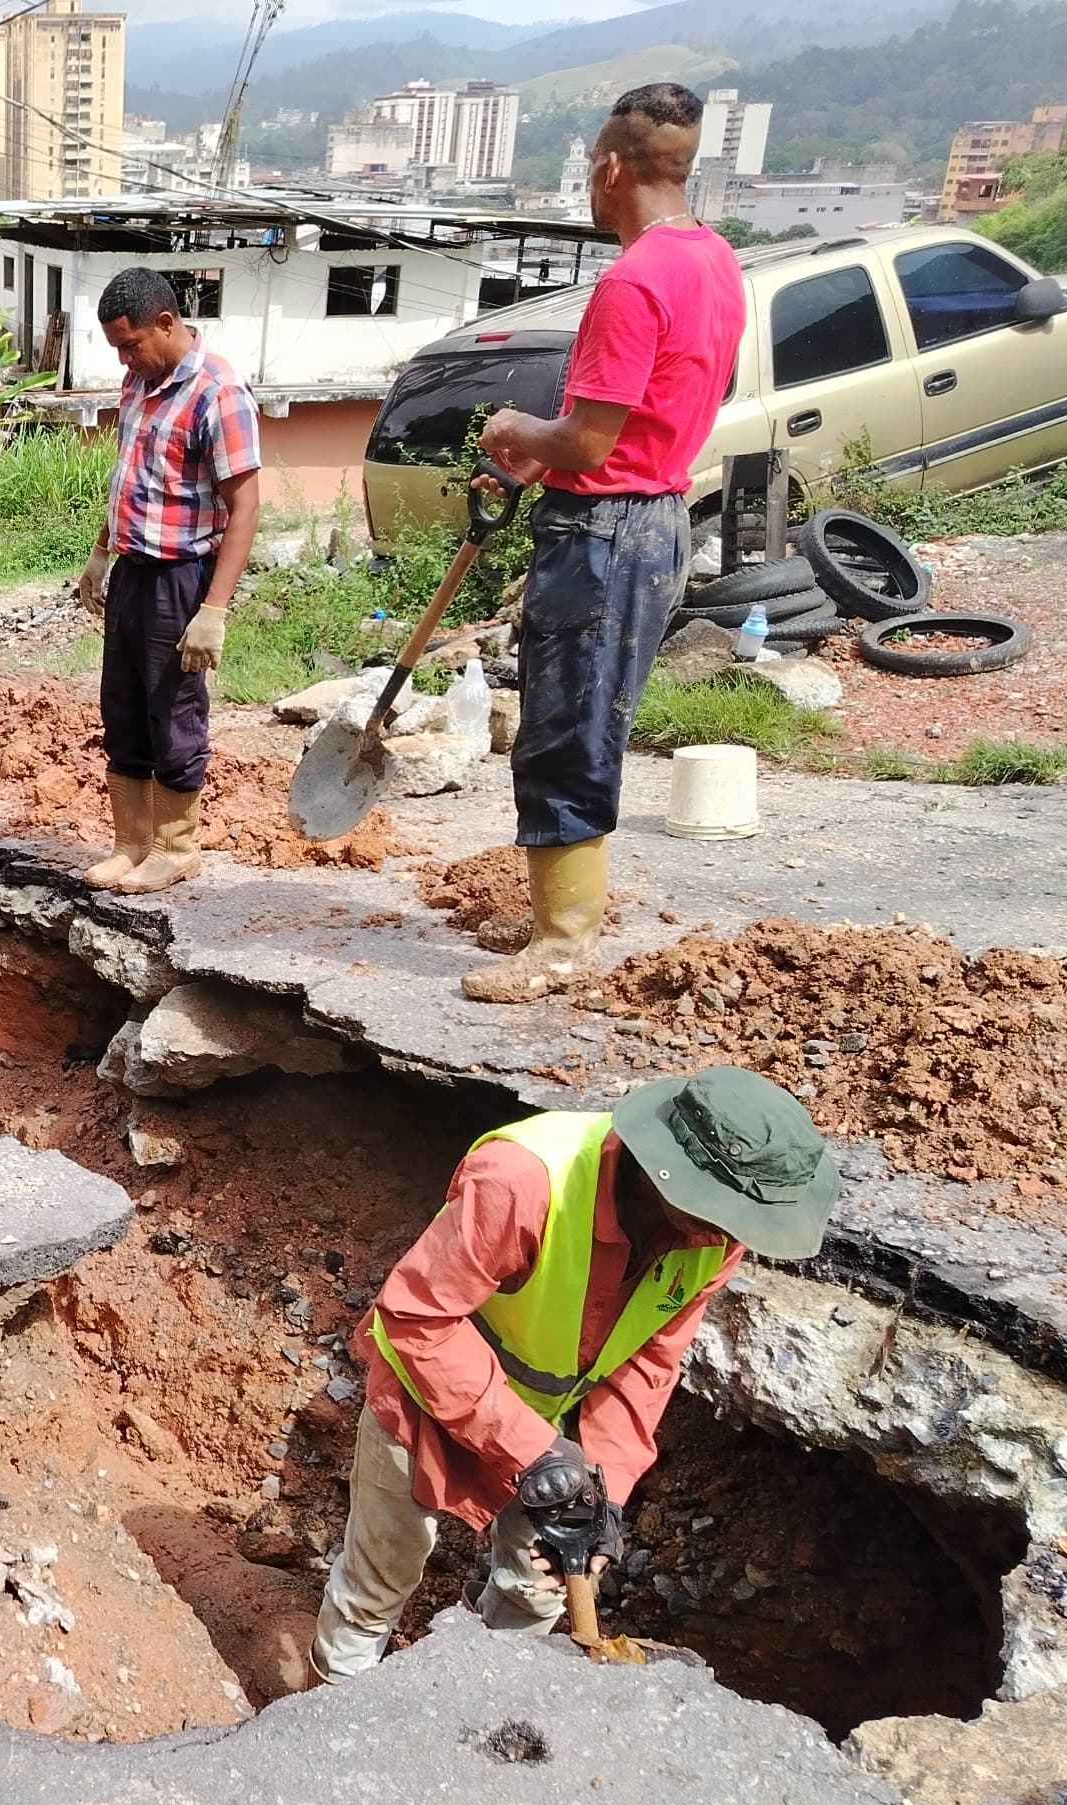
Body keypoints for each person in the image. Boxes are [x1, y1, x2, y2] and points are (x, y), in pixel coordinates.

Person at [308, 1066, 838, 1682]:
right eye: (722, 1214)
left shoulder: (716, 1235)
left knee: (540, 1590)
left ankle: (485, 1721)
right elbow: (416, 1320)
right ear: (667, 1170)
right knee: (378, 1584)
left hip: (549, 1423)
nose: (729, 1236)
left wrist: (603, 1494)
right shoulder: (524, 1181)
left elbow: (649, 1363)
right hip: (423, 1397)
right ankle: (327, 1721)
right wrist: (532, 1452)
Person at [464, 82, 746, 1004]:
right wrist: (541, 461)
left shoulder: (632, 282)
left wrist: (513, 429)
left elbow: (586, 441)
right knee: (586, 720)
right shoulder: (715, 262)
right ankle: (562, 919)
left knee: (566, 729)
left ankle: (561, 945)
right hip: (655, 517)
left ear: (611, 167)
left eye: (591, 167)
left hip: (605, 530)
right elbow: (634, 420)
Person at [75, 266, 262, 896]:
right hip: (132, 569)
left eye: (131, 344)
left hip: (182, 578)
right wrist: (102, 551)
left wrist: (215, 609)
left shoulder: (219, 392)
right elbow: (129, 477)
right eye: (117, 349)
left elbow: (246, 507)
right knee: (123, 708)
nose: (126, 359)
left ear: (166, 322)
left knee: (173, 712)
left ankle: (176, 848)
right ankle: (132, 842)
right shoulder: (139, 382)